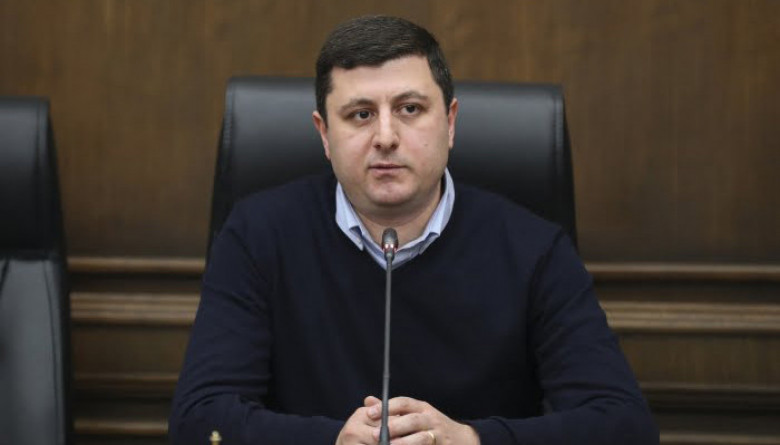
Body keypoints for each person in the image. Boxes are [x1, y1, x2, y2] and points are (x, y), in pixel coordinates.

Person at [170, 15, 659, 445]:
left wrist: (473, 440)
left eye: (409, 109)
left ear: (450, 122)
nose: (385, 136)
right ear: (324, 134)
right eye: (361, 115)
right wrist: (330, 441)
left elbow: (624, 426)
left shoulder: (534, 249)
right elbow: (198, 421)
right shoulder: (257, 236)